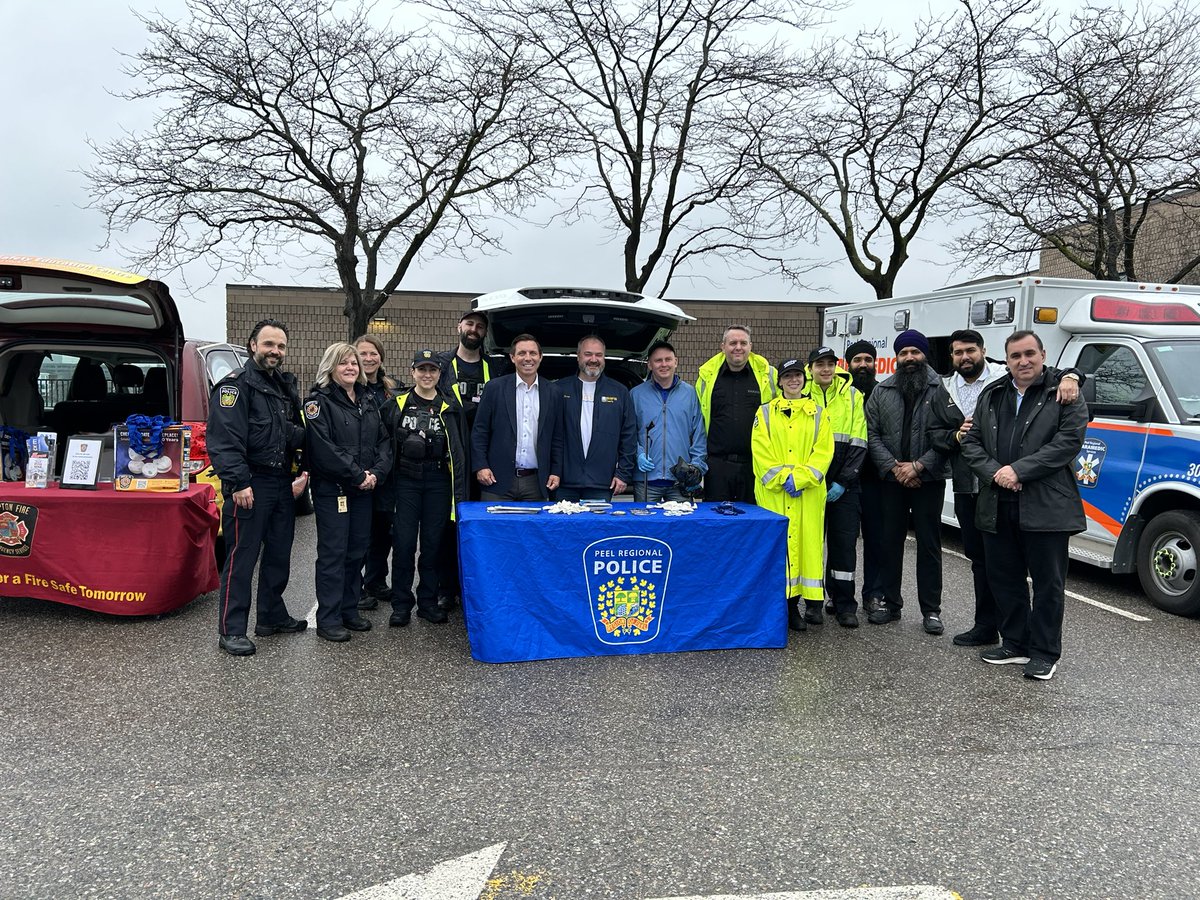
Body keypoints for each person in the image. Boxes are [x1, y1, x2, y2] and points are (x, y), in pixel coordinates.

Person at [937, 329, 1083, 647]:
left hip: (1041, 502)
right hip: (989, 495)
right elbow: (968, 442)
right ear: (1007, 361)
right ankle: (1004, 636)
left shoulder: (1061, 391)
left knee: (1046, 583)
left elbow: (1068, 442)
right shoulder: (981, 391)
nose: (1023, 361)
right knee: (999, 573)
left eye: (1030, 353)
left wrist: (1017, 471)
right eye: (1016, 356)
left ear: (1043, 355)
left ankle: (1042, 650)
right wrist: (998, 473)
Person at [207, 319, 309, 657]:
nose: (275, 352)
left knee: (279, 555)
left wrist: (302, 468)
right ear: (253, 345)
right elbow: (224, 440)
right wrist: (237, 482)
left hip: (280, 483)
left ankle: (271, 616)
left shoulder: (282, 387)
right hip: (249, 483)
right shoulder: (235, 387)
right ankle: (232, 629)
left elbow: (291, 432)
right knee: (242, 559)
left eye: (280, 346)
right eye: (269, 345)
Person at [863, 329, 958, 635]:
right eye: (903, 353)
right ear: (897, 358)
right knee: (890, 543)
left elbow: (950, 433)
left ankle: (931, 610)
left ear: (924, 355)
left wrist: (918, 467)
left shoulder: (940, 388)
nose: (909, 359)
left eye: (914, 352)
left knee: (929, 545)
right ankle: (891, 604)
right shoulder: (883, 391)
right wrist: (894, 468)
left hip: (928, 479)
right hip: (891, 480)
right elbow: (871, 434)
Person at [304, 342, 391, 642]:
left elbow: (383, 442)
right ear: (331, 367)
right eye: (344, 363)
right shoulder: (318, 402)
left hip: (364, 488)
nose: (351, 367)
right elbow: (324, 449)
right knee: (333, 553)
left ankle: (349, 610)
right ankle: (328, 617)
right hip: (335, 489)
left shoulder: (367, 400)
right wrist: (357, 475)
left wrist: (377, 474)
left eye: (353, 362)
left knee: (356, 551)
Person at [751, 357, 834, 633]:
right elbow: (760, 451)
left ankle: (795, 607)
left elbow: (823, 453)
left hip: (806, 494)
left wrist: (800, 478)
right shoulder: (764, 413)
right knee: (777, 551)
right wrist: (781, 478)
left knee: (803, 551)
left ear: (804, 379)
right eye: (788, 376)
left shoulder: (818, 413)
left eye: (798, 375)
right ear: (780, 382)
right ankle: (778, 609)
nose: (794, 380)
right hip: (774, 494)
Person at [388, 349, 469, 627]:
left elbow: (460, 450)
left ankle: (427, 602)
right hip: (406, 482)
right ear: (412, 372)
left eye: (432, 370)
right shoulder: (397, 404)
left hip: (437, 482)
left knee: (433, 546)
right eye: (421, 369)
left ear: (439, 374)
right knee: (404, 544)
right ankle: (400, 605)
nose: (427, 375)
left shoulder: (450, 407)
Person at [435, 310, 497, 609]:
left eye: (480, 326)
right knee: (448, 526)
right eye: (470, 324)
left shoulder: (494, 368)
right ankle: (446, 588)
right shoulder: (442, 366)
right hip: (449, 461)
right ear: (459, 326)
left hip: (484, 461)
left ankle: (474, 586)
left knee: (479, 527)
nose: (474, 330)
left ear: (485, 333)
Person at [802, 346, 867, 628]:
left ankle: (844, 605)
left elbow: (859, 440)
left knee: (843, 547)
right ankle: (814, 604)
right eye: (819, 365)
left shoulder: (852, 395)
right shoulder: (801, 394)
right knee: (812, 545)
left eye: (830, 364)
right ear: (810, 368)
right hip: (810, 485)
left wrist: (843, 481)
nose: (825, 369)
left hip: (844, 485)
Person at [472, 334, 562, 501]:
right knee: (495, 528)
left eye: (533, 353)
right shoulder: (494, 388)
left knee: (534, 528)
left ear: (540, 357)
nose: (528, 358)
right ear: (512, 357)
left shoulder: (553, 392)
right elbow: (480, 431)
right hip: (496, 480)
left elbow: (557, 437)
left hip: (536, 483)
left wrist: (556, 471)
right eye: (522, 353)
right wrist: (481, 466)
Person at [696, 325, 778, 503]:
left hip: (755, 464)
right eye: (733, 343)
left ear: (751, 346)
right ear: (722, 346)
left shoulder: (769, 376)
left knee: (752, 523)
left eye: (743, 343)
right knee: (717, 523)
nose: (738, 347)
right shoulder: (706, 377)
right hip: (717, 466)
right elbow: (698, 421)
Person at [555, 335, 637, 502]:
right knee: (563, 528)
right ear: (578, 356)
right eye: (588, 354)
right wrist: (551, 472)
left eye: (599, 355)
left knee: (597, 528)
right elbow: (548, 434)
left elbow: (628, 436)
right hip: (563, 482)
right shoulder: (558, 389)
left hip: (601, 483)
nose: (594, 359)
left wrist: (623, 473)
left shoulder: (620, 392)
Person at [353, 334, 402, 612]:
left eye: (373, 354)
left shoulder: (389, 390)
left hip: (386, 472)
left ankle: (375, 580)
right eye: (363, 354)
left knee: (384, 531)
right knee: (360, 532)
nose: (368, 359)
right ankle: (355, 587)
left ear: (381, 357)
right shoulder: (350, 387)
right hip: (359, 472)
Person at [629, 340, 707, 502]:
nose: (663, 364)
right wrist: (638, 453)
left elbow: (699, 434)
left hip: (680, 481)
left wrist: (697, 467)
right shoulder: (636, 395)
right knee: (646, 526)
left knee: (680, 526)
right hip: (646, 481)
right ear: (649, 365)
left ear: (676, 362)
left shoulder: (690, 394)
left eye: (668, 359)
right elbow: (627, 433)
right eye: (658, 360)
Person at [844, 339, 886, 615]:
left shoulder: (884, 393)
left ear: (874, 363)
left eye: (867, 360)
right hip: (844, 480)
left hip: (875, 479)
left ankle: (874, 594)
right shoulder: (840, 393)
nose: (863, 365)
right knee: (841, 541)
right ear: (847, 364)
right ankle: (838, 595)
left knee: (876, 541)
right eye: (857, 360)